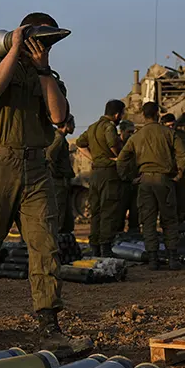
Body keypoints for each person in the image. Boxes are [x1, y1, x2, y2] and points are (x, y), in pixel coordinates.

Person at [0, 11, 84, 351]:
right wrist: (13, 49)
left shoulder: (49, 77)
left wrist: (43, 70)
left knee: (45, 245)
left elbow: (58, 116)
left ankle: (48, 323)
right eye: (39, 40)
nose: (43, 47)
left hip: (36, 168)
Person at [118, 102, 185, 271]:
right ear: (158, 114)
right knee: (169, 219)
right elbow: (184, 156)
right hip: (164, 180)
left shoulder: (136, 136)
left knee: (148, 221)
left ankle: (153, 259)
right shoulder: (170, 133)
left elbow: (122, 159)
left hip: (145, 181)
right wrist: (179, 175)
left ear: (143, 115)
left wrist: (129, 178)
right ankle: (172, 258)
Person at [75, 99, 125, 257]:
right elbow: (113, 145)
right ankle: (106, 247)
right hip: (108, 173)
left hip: (95, 173)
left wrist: (94, 159)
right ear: (116, 114)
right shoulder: (109, 127)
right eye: (121, 114)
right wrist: (119, 157)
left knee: (95, 211)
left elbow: (80, 144)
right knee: (108, 210)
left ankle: (95, 246)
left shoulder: (92, 127)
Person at [46, 114, 76, 233]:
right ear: (67, 124)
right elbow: (49, 157)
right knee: (58, 213)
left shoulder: (60, 138)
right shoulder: (58, 138)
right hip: (58, 182)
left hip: (61, 180)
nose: (74, 126)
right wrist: (55, 174)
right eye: (73, 124)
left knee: (65, 216)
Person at [162, 113, 185, 224]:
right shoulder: (160, 136)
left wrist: (182, 172)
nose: (171, 128)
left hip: (179, 172)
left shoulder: (180, 135)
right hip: (165, 173)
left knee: (182, 201)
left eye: (173, 125)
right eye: (169, 126)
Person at [118, 119, 139, 234]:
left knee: (135, 216)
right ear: (121, 131)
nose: (131, 135)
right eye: (128, 132)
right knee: (119, 216)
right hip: (121, 185)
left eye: (133, 132)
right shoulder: (115, 145)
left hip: (134, 183)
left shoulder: (134, 144)